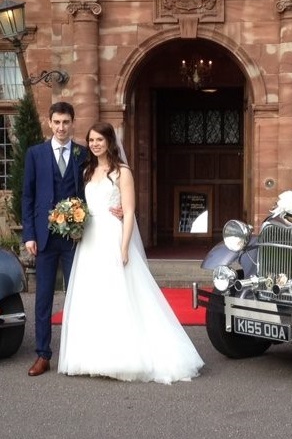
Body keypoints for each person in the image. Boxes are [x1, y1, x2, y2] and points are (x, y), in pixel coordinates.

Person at [58, 122, 204, 384]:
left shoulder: (122, 172)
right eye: (91, 140)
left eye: (100, 140)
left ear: (110, 142)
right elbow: (84, 205)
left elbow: (129, 212)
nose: (95, 144)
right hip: (89, 239)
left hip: (112, 237)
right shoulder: (87, 171)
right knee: (93, 295)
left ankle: (123, 356)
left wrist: (124, 247)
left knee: (119, 294)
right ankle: (93, 356)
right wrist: (74, 223)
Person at [22, 102, 88, 377]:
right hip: (45, 238)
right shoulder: (35, 154)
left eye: (66, 122)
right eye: (57, 122)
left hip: (74, 238)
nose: (61, 127)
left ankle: (76, 353)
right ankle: (43, 355)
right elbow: (28, 195)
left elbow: (91, 191)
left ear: (73, 122)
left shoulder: (83, 154)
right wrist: (29, 235)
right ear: (50, 123)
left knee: (78, 296)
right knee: (44, 299)